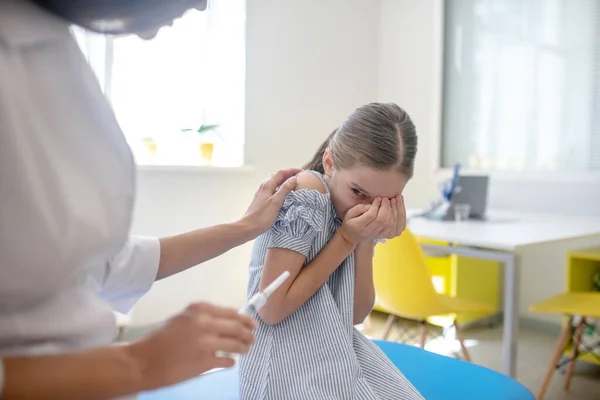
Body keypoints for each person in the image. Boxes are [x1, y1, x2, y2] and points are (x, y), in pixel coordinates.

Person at [0, 0, 300, 399]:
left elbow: (96, 262)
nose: (203, 3)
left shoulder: (57, 48)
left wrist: (246, 227)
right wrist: (140, 363)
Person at [239, 103, 424, 399]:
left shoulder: (356, 219)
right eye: (357, 192)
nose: (366, 208)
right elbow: (271, 310)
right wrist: (346, 240)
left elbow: (354, 313)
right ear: (329, 162)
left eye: (384, 200)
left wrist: (365, 239)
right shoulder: (308, 191)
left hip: (331, 347)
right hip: (282, 360)